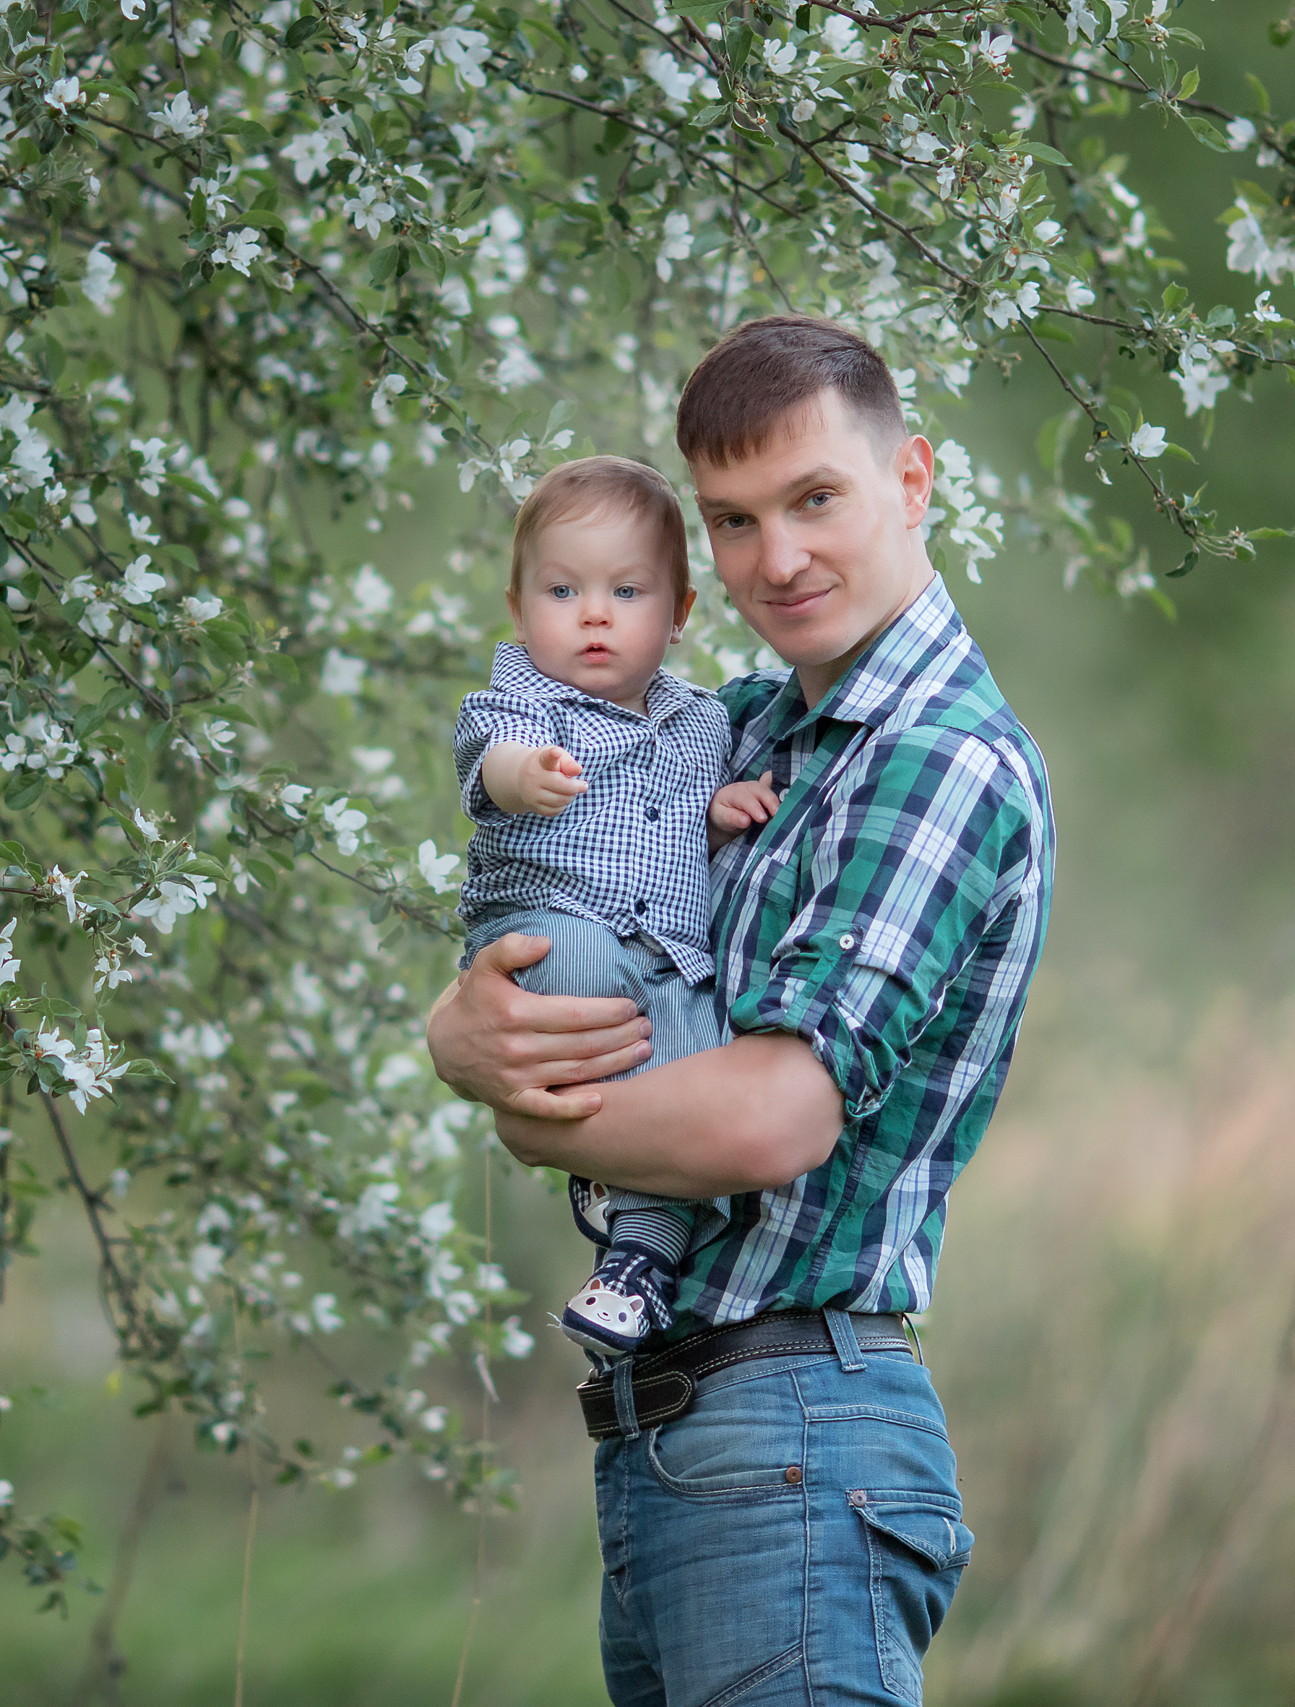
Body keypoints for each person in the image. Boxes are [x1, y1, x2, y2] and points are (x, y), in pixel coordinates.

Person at [425, 316, 1054, 1707]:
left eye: (814, 499)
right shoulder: (751, 729)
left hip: (799, 1431)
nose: (778, 558)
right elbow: (565, 878)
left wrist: (534, 1115)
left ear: (913, 479)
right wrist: (454, 1032)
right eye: (733, 519)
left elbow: (771, 1116)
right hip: (681, 1438)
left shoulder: (937, 759)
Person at [449, 454, 781, 1354]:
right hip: (552, 922)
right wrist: (526, 774)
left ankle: (636, 1259)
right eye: (562, 590)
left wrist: (713, 818)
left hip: (668, 948)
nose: (593, 614)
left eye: (627, 592)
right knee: (586, 992)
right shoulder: (529, 693)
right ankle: (615, 1205)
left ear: (677, 616)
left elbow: (672, 825)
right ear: (520, 609)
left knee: (694, 1059)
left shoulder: (705, 720)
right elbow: (489, 757)